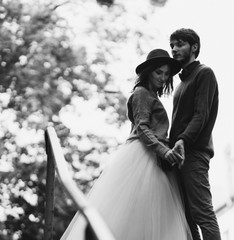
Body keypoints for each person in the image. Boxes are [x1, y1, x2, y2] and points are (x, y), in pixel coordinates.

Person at [60, 49, 192, 240]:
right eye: (158, 72)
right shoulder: (141, 93)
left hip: (155, 156)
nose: (163, 78)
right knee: (134, 214)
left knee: (151, 216)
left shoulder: (151, 95)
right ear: (148, 72)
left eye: (166, 74)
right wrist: (164, 151)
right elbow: (142, 128)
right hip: (144, 154)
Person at [169, 28, 221, 240]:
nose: (174, 49)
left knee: (202, 213)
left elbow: (201, 115)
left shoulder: (204, 73)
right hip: (178, 155)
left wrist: (182, 140)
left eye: (179, 44)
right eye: (172, 45)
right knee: (187, 217)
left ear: (194, 47)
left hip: (194, 153)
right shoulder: (181, 83)